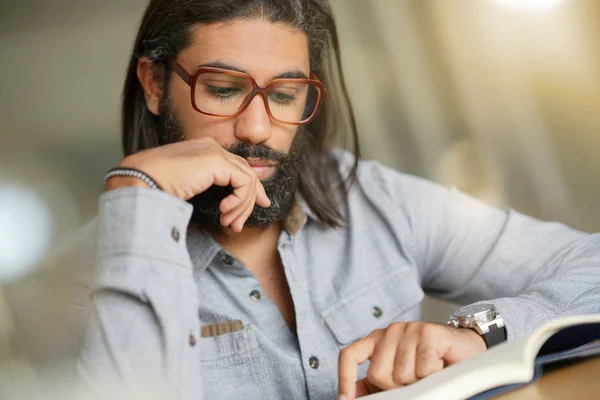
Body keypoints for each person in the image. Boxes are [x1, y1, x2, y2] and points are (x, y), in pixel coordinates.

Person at [55, 0, 600, 399]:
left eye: (286, 95)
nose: (258, 127)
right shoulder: (80, 280)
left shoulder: (370, 198)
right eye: (223, 89)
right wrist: (138, 196)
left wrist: (481, 331)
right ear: (153, 85)